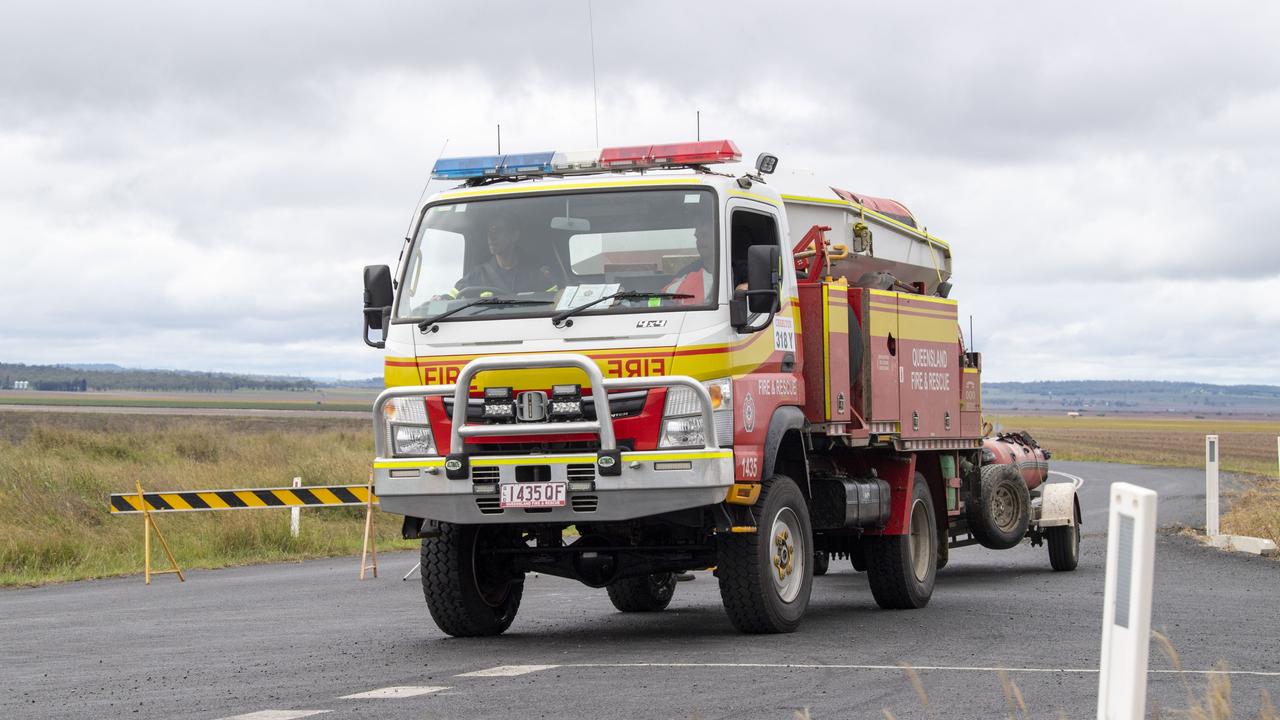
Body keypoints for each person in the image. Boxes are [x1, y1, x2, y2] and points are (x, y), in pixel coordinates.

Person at [451, 218, 558, 296]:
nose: (491, 237)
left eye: (498, 231)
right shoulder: (478, 274)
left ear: (514, 236)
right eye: (490, 231)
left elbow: (556, 300)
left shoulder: (534, 274)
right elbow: (453, 297)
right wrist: (440, 299)